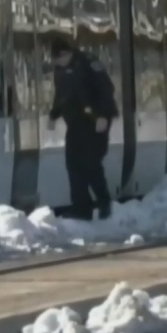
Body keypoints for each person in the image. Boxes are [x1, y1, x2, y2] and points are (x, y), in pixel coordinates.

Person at [47, 38, 117, 221]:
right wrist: (53, 115)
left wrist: (103, 115)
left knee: (91, 164)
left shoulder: (88, 63)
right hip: (76, 122)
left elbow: (106, 89)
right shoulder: (60, 70)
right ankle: (81, 209)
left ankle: (104, 203)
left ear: (66, 54)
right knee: (73, 164)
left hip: (95, 121)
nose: (57, 63)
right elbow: (61, 95)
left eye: (58, 58)